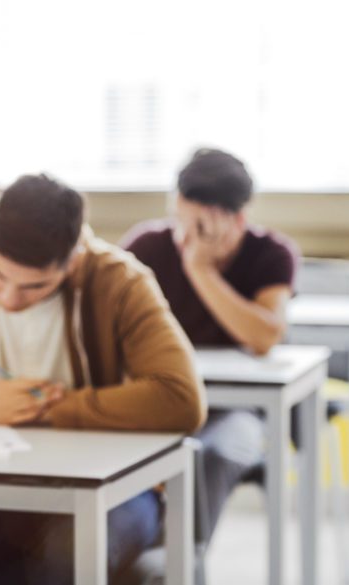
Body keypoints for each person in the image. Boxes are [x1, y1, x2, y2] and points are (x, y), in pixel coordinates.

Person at [0, 173, 205, 584]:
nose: (10, 297)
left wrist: (49, 407)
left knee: (60, 560)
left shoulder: (122, 283)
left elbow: (182, 399)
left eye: (34, 286)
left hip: (115, 489)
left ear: (75, 259)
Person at [123, 147, 298, 540]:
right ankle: (147, 550)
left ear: (238, 218)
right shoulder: (147, 246)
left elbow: (264, 336)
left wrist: (199, 269)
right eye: (183, 217)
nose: (189, 234)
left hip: (239, 408)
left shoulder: (272, 254)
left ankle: (185, 559)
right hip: (163, 397)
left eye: (205, 225)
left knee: (213, 454)